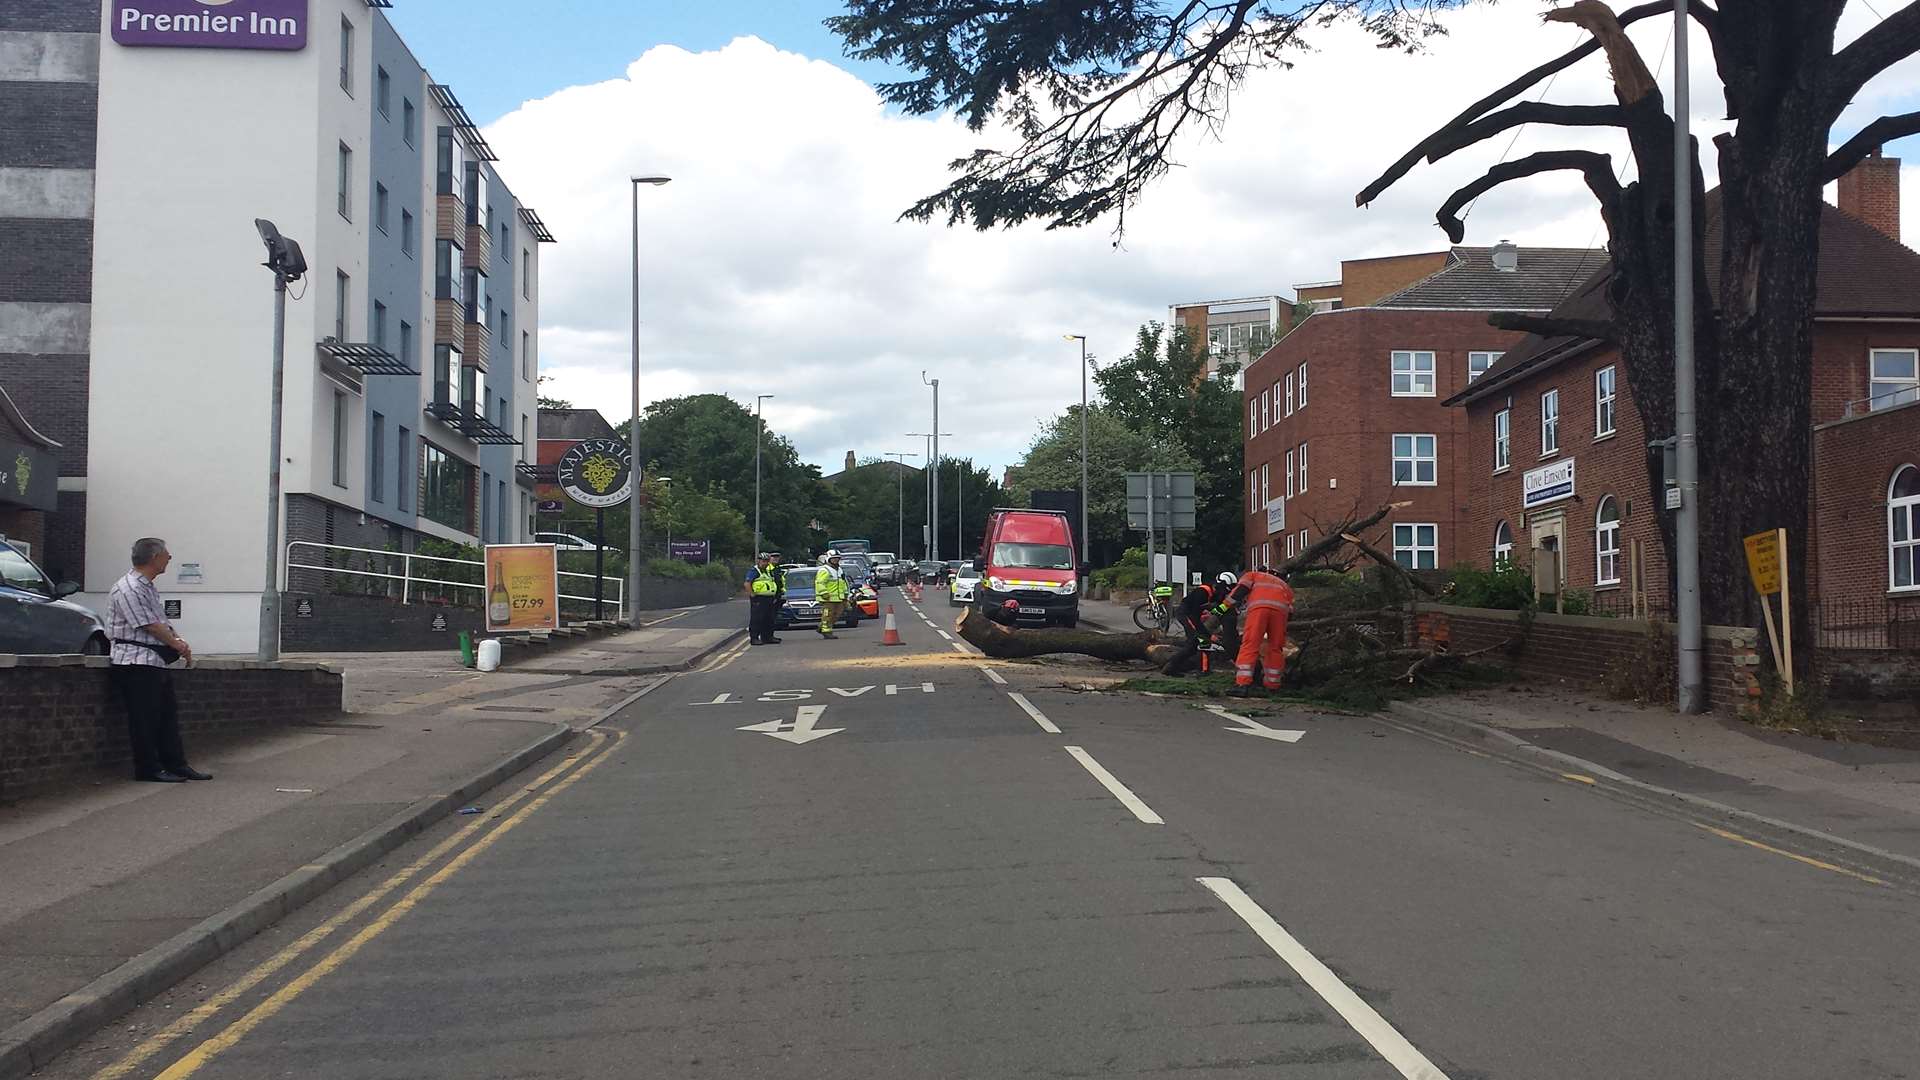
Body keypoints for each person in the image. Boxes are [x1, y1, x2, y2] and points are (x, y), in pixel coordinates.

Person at [106, 537, 211, 783]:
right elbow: (149, 625)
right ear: (154, 558)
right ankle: (148, 768)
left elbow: (161, 621)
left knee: (166, 715)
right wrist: (176, 644)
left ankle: (176, 764)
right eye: (166, 554)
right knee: (144, 718)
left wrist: (178, 641)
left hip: (153, 661)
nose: (170, 558)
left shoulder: (147, 587)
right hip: (135, 662)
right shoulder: (128, 588)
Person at [1217, 566, 1295, 694]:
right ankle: (1273, 685)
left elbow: (1239, 592)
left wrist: (1221, 608)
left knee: (1250, 644)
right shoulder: (1284, 585)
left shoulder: (1253, 575)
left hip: (1259, 609)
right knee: (1276, 648)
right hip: (1281, 613)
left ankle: (1243, 684)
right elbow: (1290, 612)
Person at [1171, 572, 1238, 675]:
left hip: (1194, 616)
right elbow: (1194, 617)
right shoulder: (1202, 592)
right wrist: (1209, 635)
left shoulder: (1217, 594)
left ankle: (1202, 669)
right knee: (1198, 641)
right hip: (1187, 615)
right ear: (1220, 585)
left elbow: (1218, 609)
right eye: (1225, 590)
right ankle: (1171, 667)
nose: (1225, 594)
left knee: (1197, 644)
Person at [746, 553, 784, 646]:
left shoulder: (767, 571)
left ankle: (768, 637)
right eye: (764, 561)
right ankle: (754, 638)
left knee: (769, 619)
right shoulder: (754, 570)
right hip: (759, 598)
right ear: (758, 561)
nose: (765, 563)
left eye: (767, 561)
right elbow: (747, 583)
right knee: (757, 619)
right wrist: (752, 594)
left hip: (769, 598)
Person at [815, 551, 849, 638]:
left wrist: (845, 594)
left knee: (837, 615)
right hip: (828, 598)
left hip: (839, 598)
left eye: (837, 558)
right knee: (828, 615)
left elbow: (843, 583)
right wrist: (824, 593)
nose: (836, 560)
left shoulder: (839, 570)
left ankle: (821, 627)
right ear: (828, 559)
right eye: (834, 558)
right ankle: (826, 632)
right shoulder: (824, 570)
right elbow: (820, 583)